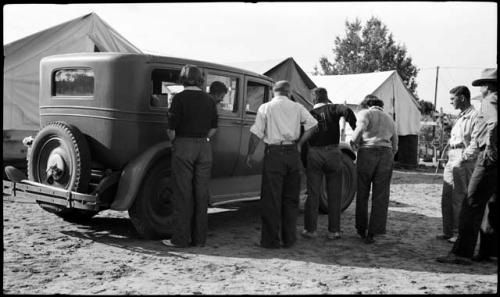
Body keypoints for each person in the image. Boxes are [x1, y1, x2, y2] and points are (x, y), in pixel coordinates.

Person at [246, 80, 318, 248]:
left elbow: (256, 133)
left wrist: (250, 154)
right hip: (292, 153)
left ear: (273, 92)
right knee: (291, 199)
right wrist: (299, 144)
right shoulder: (297, 107)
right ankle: (289, 239)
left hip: (274, 153)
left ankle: (270, 240)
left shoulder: (266, 107)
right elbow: (313, 125)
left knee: (271, 199)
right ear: (288, 92)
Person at [437, 68, 497, 265]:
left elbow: (494, 125)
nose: (482, 90)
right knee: (492, 205)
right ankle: (489, 251)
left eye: (482, 85)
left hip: (487, 157)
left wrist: (491, 149)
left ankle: (462, 253)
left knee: (471, 203)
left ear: (488, 85)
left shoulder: (490, 101)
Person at [162, 64, 218, 248]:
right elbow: (214, 128)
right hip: (204, 147)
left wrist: (175, 142)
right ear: (200, 80)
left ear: (182, 79)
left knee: (182, 193)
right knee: (201, 194)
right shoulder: (209, 100)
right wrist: (202, 139)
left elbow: (171, 129)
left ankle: (179, 239)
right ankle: (199, 239)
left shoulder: (179, 99)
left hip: (184, 146)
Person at [301, 87, 357, 240]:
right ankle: (334, 231)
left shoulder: (308, 114)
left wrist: (305, 161)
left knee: (313, 194)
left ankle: (310, 230)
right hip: (333, 152)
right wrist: (354, 126)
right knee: (334, 193)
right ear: (326, 97)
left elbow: (303, 136)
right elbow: (346, 110)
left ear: (313, 99)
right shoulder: (333, 108)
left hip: (314, 153)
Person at [350, 95, 398, 244]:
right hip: (386, 154)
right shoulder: (390, 119)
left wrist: (353, 143)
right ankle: (373, 232)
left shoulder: (366, 113)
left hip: (368, 151)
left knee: (363, 192)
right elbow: (395, 143)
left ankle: (361, 229)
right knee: (381, 195)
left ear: (367, 104)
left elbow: (360, 128)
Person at [437, 86, 480, 243]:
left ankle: (458, 233)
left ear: (462, 98)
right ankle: (448, 231)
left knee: (459, 196)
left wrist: (465, 157)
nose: (450, 102)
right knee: (447, 195)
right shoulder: (461, 117)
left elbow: (476, 140)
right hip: (452, 155)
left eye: (452, 99)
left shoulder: (475, 116)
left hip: (463, 157)